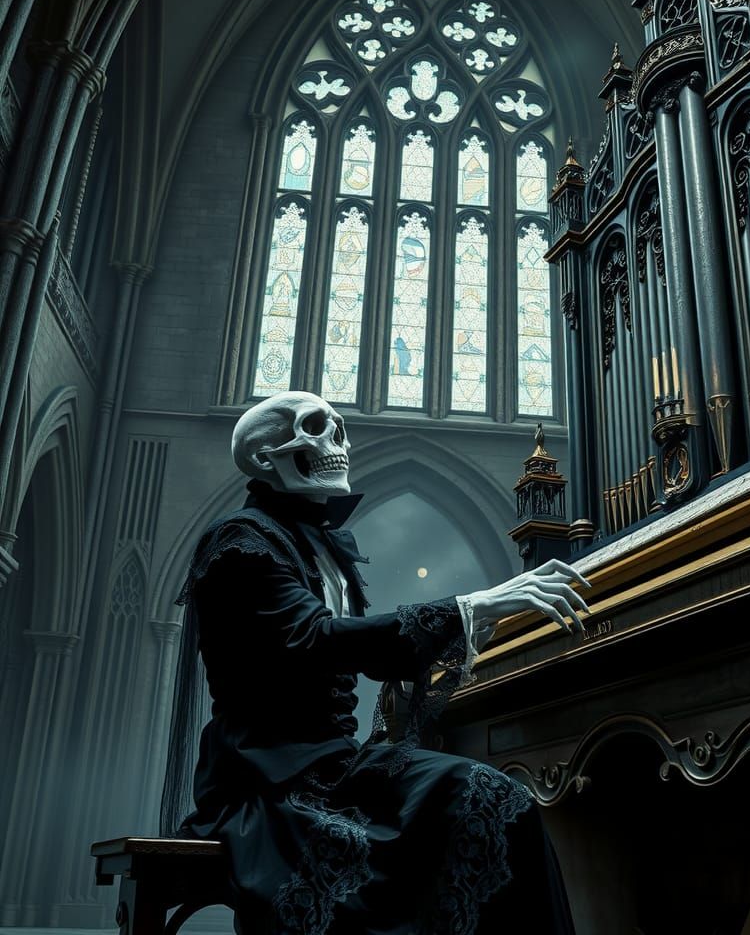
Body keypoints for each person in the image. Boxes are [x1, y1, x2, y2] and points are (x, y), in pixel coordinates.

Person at [160, 391, 590, 934]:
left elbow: (361, 653)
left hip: (337, 765)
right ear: (266, 459)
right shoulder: (242, 542)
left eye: (340, 428)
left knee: (502, 803)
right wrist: (473, 605)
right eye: (316, 428)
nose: (338, 443)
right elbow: (315, 638)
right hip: (268, 778)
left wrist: (470, 618)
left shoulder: (320, 546)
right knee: (464, 814)